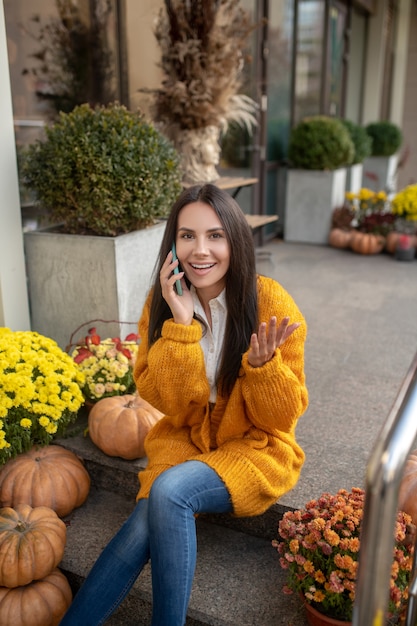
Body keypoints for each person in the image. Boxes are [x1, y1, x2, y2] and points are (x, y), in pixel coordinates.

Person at [60, 183, 308, 626]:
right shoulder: (163, 301)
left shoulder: (268, 300)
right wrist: (179, 323)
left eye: (215, 236)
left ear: (235, 240)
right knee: (143, 520)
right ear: (172, 243)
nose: (201, 250)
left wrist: (264, 367)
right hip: (186, 438)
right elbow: (167, 403)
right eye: (187, 235)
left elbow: (282, 418)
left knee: (170, 491)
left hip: (254, 445)